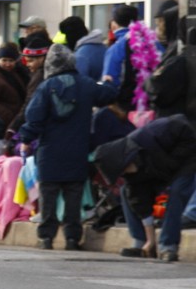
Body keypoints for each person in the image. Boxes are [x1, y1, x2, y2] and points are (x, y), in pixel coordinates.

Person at [18, 45, 117, 250]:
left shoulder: (45, 88)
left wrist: (26, 139)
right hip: (77, 151)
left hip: (49, 153)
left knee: (48, 197)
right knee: (74, 196)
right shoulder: (86, 85)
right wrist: (108, 82)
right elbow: (107, 95)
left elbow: (34, 119)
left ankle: (46, 237)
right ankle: (72, 238)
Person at [94, 114, 196, 263]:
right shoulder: (131, 175)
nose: (123, 175)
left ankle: (168, 245)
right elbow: (140, 204)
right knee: (125, 192)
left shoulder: (151, 135)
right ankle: (141, 241)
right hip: (161, 169)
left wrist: (173, 161)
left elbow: (184, 128)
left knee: (177, 191)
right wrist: (150, 240)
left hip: (186, 158)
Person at [60, 15, 106, 83]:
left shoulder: (80, 56)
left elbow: (79, 85)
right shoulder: (103, 47)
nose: (66, 39)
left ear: (71, 35)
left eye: (66, 36)